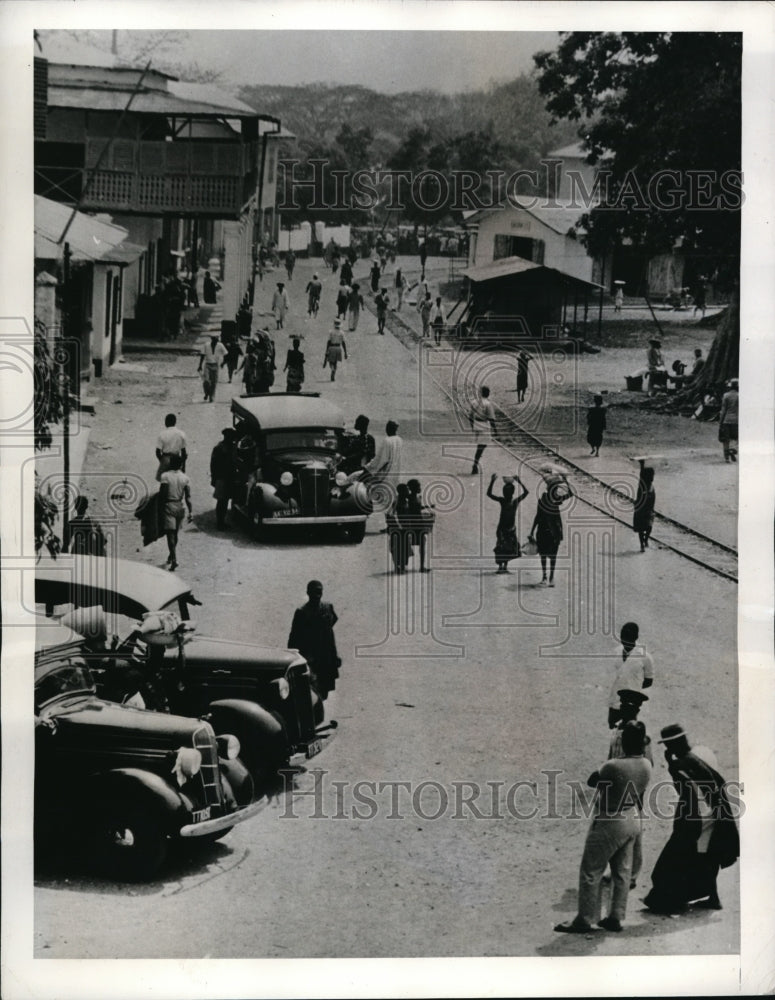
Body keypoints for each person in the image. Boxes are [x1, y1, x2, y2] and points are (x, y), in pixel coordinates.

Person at [554, 722, 652, 934]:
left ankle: (584, 919)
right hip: (632, 818)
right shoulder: (646, 764)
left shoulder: (614, 765)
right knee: (622, 872)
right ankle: (615, 917)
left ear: (624, 742)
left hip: (610, 819)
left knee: (591, 870)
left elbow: (592, 780)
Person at [644, 725, 739, 914]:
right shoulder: (697, 758)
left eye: (667, 745)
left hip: (699, 815)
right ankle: (713, 898)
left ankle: (672, 901)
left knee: (672, 859)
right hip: (715, 812)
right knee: (708, 855)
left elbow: (685, 793)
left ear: (672, 745)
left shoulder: (680, 765)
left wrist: (670, 765)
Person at [288, 580, 341, 700]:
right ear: (308, 593)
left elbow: (331, 626)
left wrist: (335, 655)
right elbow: (294, 638)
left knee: (324, 691)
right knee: (312, 691)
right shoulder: (302, 612)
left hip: (326, 658)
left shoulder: (328, 608)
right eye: (314, 592)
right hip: (311, 659)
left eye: (319, 591)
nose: (317, 594)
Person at [528, 471, 574, 586]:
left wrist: (566, 481)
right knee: (544, 554)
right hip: (544, 530)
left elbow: (571, 494)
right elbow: (538, 516)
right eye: (554, 488)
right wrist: (531, 531)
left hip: (554, 531)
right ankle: (545, 577)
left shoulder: (556, 499)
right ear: (549, 489)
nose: (555, 490)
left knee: (552, 555)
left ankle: (550, 577)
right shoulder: (544, 500)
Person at [607, 622, 654, 729]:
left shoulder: (645, 657)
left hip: (632, 703)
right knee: (613, 729)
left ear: (636, 638)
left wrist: (633, 688)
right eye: (623, 639)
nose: (625, 643)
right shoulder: (616, 652)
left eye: (629, 639)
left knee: (631, 729)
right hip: (615, 700)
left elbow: (649, 681)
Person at [364, 420, 403, 529]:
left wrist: (369, 467)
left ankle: (392, 523)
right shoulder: (399, 440)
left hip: (386, 472)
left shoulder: (387, 441)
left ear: (389, 429)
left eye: (387, 427)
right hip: (396, 472)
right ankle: (391, 523)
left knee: (377, 493)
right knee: (391, 497)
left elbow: (381, 459)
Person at [487, 473, 529, 573]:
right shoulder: (505, 501)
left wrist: (519, 481)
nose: (506, 493)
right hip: (502, 528)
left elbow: (526, 492)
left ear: (512, 493)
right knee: (501, 547)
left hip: (510, 528)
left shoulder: (513, 501)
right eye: (505, 491)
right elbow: (489, 494)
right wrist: (492, 481)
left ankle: (504, 567)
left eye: (508, 491)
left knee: (508, 548)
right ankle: (501, 567)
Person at [158, 454, 192, 571]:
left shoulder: (165, 476)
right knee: (175, 534)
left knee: (170, 535)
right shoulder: (185, 478)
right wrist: (191, 512)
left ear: (170, 464)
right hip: (180, 506)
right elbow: (188, 497)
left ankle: (174, 559)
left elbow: (163, 494)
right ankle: (171, 555)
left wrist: (159, 509)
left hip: (169, 505)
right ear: (181, 465)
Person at [210, 428, 236, 530]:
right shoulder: (219, 448)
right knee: (222, 501)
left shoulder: (232, 447)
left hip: (229, 477)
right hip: (221, 477)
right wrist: (214, 478)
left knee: (225, 500)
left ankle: (221, 522)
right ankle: (220, 522)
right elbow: (213, 465)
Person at [469, 385, 496, 475]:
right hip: (484, 425)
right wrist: (495, 430)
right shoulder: (488, 404)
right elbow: (491, 418)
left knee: (481, 445)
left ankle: (476, 463)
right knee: (481, 446)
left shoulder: (474, 402)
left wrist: (472, 426)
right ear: (487, 393)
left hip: (477, 424)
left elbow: (470, 416)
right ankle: (475, 464)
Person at [387, 482, 412, 573]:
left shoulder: (406, 501)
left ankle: (403, 566)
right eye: (406, 490)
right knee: (396, 547)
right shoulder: (396, 501)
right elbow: (390, 514)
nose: (408, 491)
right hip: (397, 528)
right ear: (401, 491)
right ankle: (397, 566)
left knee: (406, 547)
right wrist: (398, 525)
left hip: (406, 528)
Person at [155, 412, 188, 481]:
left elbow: (158, 452)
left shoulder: (162, 434)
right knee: (178, 479)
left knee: (162, 479)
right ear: (175, 422)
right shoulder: (181, 434)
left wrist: (162, 461)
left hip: (166, 458)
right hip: (177, 459)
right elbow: (184, 452)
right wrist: (183, 465)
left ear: (166, 422)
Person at [632, 458, 656, 551]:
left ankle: (645, 540)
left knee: (649, 527)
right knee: (641, 529)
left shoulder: (651, 485)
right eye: (652, 475)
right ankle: (642, 544)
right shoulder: (643, 484)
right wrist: (642, 464)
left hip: (649, 510)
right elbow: (641, 474)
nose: (653, 477)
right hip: (641, 509)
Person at [198, 335, 228, 402]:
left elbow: (226, 354)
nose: (216, 341)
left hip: (215, 365)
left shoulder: (220, 345)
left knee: (214, 382)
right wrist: (200, 365)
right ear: (211, 339)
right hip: (207, 364)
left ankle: (212, 396)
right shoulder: (206, 345)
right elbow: (202, 355)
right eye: (214, 339)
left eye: (217, 340)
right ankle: (207, 393)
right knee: (206, 381)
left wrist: (223, 362)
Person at [718, 377, 739, 463]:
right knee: (735, 438)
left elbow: (723, 410)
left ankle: (726, 457)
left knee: (726, 439)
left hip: (726, 420)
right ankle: (732, 450)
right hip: (736, 421)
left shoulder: (726, 395)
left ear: (729, 387)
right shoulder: (740, 396)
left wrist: (721, 422)